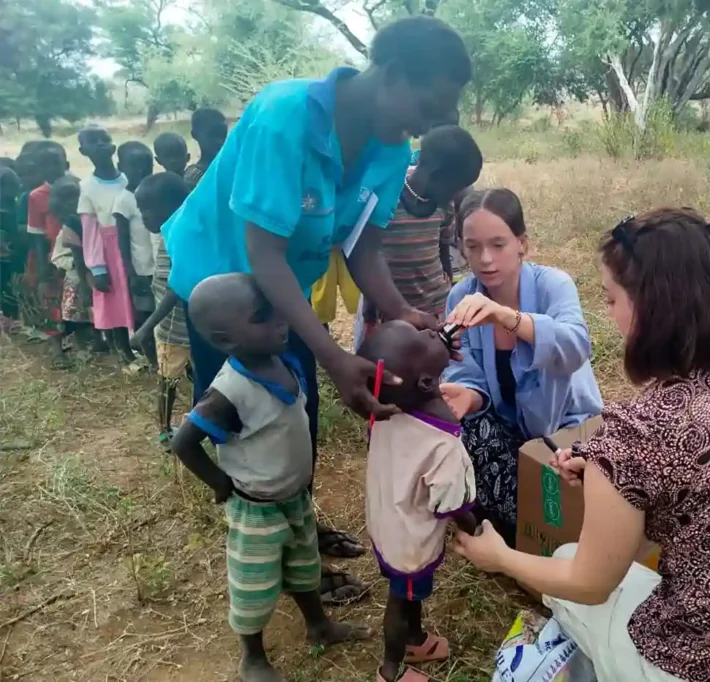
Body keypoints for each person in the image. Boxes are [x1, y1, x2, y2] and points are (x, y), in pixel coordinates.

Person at [454, 208, 710, 682]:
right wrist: (610, 473)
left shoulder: (639, 433)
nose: (608, 313)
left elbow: (590, 583)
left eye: (611, 299)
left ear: (650, 308)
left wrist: (501, 558)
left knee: (568, 562)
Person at [161, 15, 472, 583]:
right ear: (394, 74)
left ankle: (300, 523)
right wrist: (333, 357)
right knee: (250, 417)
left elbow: (365, 246)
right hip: (225, 290)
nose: (430, 125)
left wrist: (401, 309)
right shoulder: (285, 117)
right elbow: (264, 255)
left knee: (297, 414)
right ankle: (272, 550)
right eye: (429, 107)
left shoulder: (389, 149)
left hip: (281, 293)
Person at [171, 273, 369, 682]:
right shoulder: (229, 391)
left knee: (304, 566)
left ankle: (319, 626)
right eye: (263, 317)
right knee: (254, 585)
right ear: (226, 340)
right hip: (256, 509)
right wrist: (220, 483)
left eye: (278, 308)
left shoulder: (282, 359)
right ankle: (253, 657)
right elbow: (184, 443)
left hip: (294, 498)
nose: (280, 320)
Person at [441, 188, 602, 545]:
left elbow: (575, 346)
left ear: (522, 243)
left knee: (570, 489)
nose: (485, 259)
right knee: (454, 434)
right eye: (472, 246)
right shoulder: (460, 297)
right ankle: (511, 525)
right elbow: (464, 368)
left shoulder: (552, 286)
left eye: (498, 244)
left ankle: (518, 528)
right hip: (507, 428)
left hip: (564, 429)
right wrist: (466, 397)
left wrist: (507, 317)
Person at [358, 320, 477, 682]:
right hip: (409, 543)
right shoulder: (441, 445)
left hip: (386, 520)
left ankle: (414, 638)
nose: (430, 330)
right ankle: (391, 671)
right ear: (426, 383)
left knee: (407, 596)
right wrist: (477, 530)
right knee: (402, 598)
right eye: (422, 337)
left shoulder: (388, 414)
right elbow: (454, 504)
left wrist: (433, 348)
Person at [348, 124, 483, 347]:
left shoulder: (443, 204)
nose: (459, 195)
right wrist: (371, 312)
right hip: (390, 308)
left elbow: (443, 247)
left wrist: (448, 287)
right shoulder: (385, 196)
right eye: (456, 186)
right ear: (436, 174)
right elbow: (366, 256)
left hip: (435, 307)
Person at [131, 173, 192, 448]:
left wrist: (145, 328)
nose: (143, 216)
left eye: (147, 208)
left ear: (174, 205)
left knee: (167, 380)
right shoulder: (181, 231)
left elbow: (173, 289)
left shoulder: (173, 239)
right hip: (195, 326)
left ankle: (165, 429)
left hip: (174, 329)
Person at [79, 125, 135, 364]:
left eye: (105, 139)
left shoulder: (129, 177)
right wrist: (97, 267)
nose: (101, 144)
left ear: (114, 146)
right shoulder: (87, 187)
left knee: (134, 298)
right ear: (83, 151)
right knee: (114, 302)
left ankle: (140, 343)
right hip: (108, 251)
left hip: (133, 245)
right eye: (94, 141)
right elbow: (90, 231)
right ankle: (123, 351)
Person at [113, 141, 157, 370]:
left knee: (164, 317)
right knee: (145, 314)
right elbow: (121, 238)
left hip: (162, 267)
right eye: (135, 165)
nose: (142, 170)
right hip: (141, 269)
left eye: (146, 164)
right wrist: (129, 271)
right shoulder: (124, 199)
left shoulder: (154, 191)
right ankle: (153, 362)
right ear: (121, 166)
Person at [26, 147, 71, 363]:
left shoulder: (76, 186)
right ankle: (56, 347)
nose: (53, 168)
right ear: (40, 169)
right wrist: (43, 268)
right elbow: (37, 234)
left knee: (76, 299)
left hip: (75, 253)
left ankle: (84, 340)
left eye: (56, 162)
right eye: (46, 164)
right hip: (51, 255)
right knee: (52, 301)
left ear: (66, 163)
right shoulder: (36, 196)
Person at [48, 176, 95, 354]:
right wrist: (75, 262)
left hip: (92, 277)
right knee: (77, 318)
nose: (72, 203)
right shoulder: (65, 232)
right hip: (76, 281)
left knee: (93, 316)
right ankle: (81, 346)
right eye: (66, 200)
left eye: (75, 197)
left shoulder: (90, 224)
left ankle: (96, 343)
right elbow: (57, 258)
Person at [183, 107, 228, 190]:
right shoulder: (193, 178)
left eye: (223, 134)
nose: (219, 141)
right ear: (195, 135)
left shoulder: (232, 167)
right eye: (213, 134)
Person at [0, 166, 22, 331]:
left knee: (12, 285)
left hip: (14, 256)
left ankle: (12, 316)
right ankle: (7, 317)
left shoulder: (17, 207)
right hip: (5, 257)